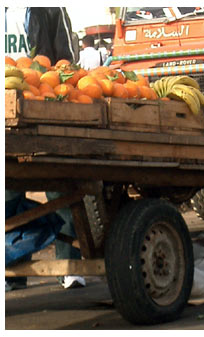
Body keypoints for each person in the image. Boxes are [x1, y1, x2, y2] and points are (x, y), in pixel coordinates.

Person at [5, 7, 84, 291]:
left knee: (59, 189)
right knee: (8, 196)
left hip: (43, 103)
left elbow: (65, 57)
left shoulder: (46, 7)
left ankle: (70, 266)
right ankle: (12, 271)